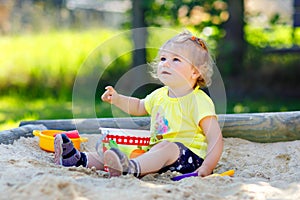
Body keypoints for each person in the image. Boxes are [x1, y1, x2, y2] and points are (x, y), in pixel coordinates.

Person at [54, 30, 223, 178]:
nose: (165, 63)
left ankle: (131, 168)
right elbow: (139, 106)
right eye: (163, 58)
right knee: (121, 148)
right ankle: (78, 159)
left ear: (195, 71)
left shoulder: (199, 101)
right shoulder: (160, 95)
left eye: (176, 60)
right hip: (156, 155)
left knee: (166, 147)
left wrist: (207, 166)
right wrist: (117, 98)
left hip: (188, 159)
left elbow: (215, 138)